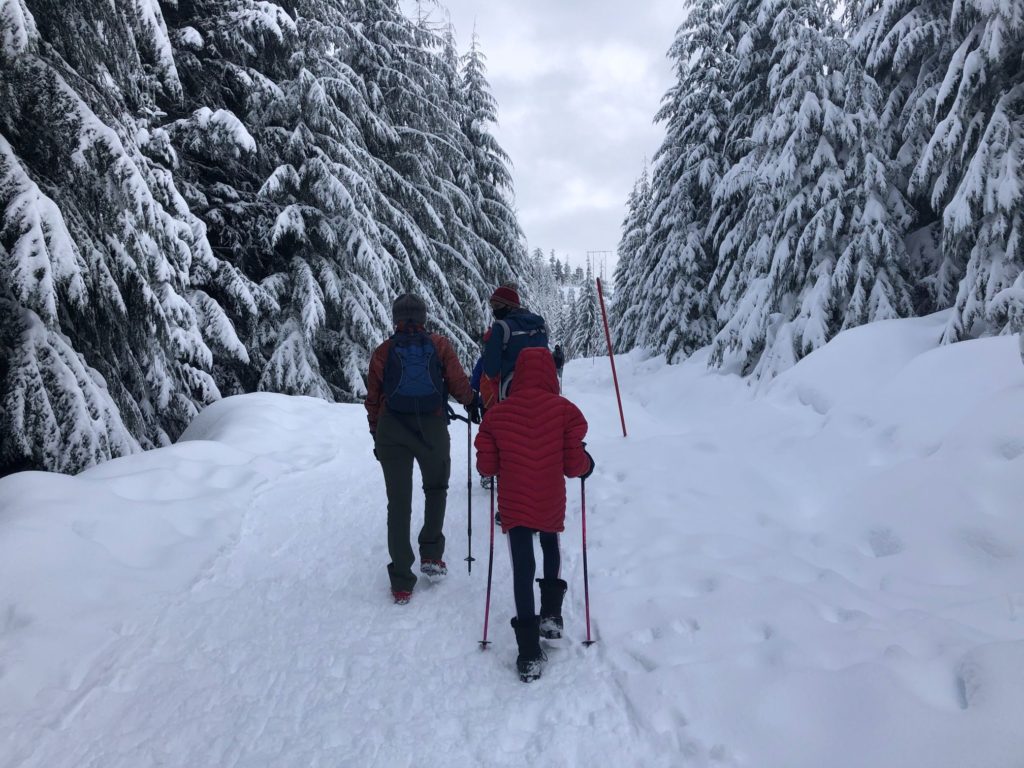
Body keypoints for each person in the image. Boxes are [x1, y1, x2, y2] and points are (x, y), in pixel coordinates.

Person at [475, 347, 595, 682]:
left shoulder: (498, 414)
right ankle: (552, 616)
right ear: (550, 375)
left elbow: (486, 465)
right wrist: (587, 465)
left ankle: (528, 654)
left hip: (514, 503)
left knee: (522, 568)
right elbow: (574, 466)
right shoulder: (565, 411)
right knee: (550, 546)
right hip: (549, 499)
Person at [365, 294, 478, 604]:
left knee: (398, 503)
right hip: (432, 427)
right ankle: (431, 554)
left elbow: (373, 398)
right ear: (424, 317)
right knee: (436, 488)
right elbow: (458, 383)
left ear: (396, 318)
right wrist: (472, 402)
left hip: (392, 429)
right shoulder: (439, 345)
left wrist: (377, 433)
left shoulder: (384, 352)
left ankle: (401, 580)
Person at [478, 285, 549, 409]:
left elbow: (490, 370)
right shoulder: (539, 326)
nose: (494, 311)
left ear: (510, 306)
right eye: (493, 307)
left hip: (509, 397)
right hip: (541, 395)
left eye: (497, 306)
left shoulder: (501, 328)